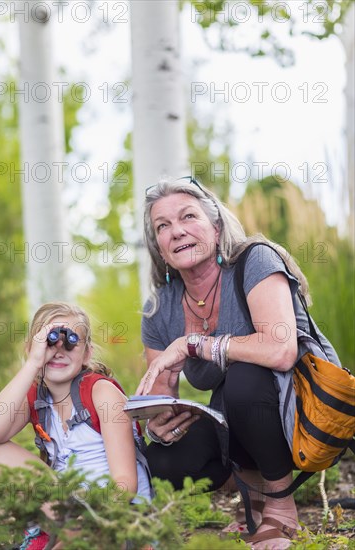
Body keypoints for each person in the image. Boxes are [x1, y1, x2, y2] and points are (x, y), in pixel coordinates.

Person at [136, 176, 340, 549]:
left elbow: (280, 350)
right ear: (159, 248)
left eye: (188, 217)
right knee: (163, 460)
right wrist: (158, 426)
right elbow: (161, 395)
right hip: (236, 419)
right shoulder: (159, 309)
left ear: (215, 227)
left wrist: (193, 344)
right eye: (162, 226)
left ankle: (280, 507)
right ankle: (252, 494)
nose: (176, 231)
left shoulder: (254, 259)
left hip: (299, 413)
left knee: (243, 378)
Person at [0, 302, 152, 549]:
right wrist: (33, 363)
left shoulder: (101, 392)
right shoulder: (36, 396)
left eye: (70, 342)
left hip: (116, 512)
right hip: (67, 510)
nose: (58, 350)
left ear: (86, 353)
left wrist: (87, 524)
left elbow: (125, 483)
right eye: (49, 342)